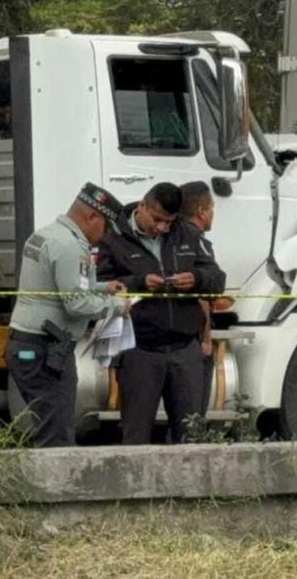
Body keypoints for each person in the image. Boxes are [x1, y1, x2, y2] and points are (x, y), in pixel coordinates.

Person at [97, 182, 226, 444]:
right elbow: (99, 286)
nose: (162, 228)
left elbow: (217, 278)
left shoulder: (187, 235)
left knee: (191, 435)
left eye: (169, 222)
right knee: (136, 435)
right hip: (139, 350)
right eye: (157, 220)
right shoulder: (113, 238)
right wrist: (140, 283)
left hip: (184, 349)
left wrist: (197, 278)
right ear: (142, 206)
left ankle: (189, 485)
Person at [6, 184, 129, 447]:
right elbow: (77, 304)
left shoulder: (46, 235)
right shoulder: (71, 247)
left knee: (50, 425)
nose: (105, 236)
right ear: (92, 217)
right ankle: (54, 487)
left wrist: (103, 287)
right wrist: (117, 307)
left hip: (28, 346)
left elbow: (59, 284)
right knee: (56, 435)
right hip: (45, 350)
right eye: (106, 227)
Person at [179, 181, 218, 416]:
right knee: (194, 413)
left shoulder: (173, 238)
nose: (213, 214)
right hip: (192, 335)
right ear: (202, 212)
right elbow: (203, 295)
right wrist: (206, 338)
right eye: (212, 208)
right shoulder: (199, 243)